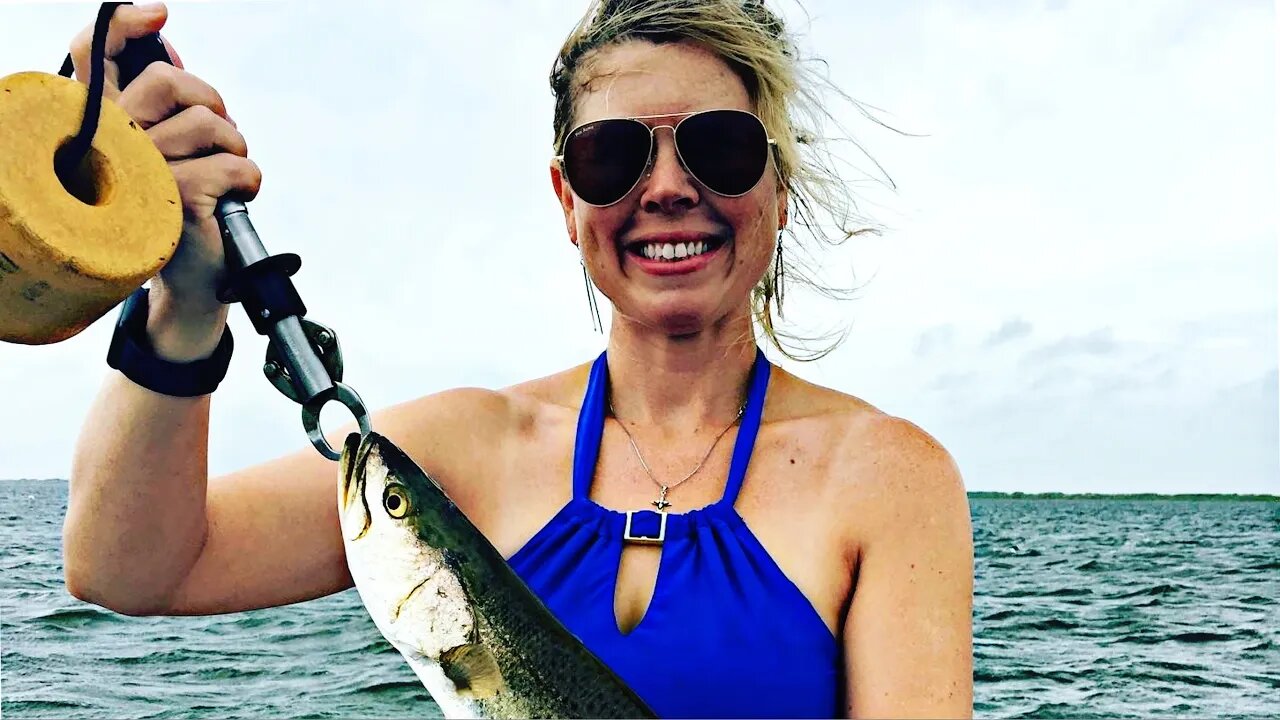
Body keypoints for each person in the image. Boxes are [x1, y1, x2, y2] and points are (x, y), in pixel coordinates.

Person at [61, 1, 974, 717]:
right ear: (565, 198)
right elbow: (132, 570)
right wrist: (186, 306)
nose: (665, 187)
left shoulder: (888, 477)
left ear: (777, 182)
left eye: (718, 147)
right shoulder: (464, 448)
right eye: (613, 155)